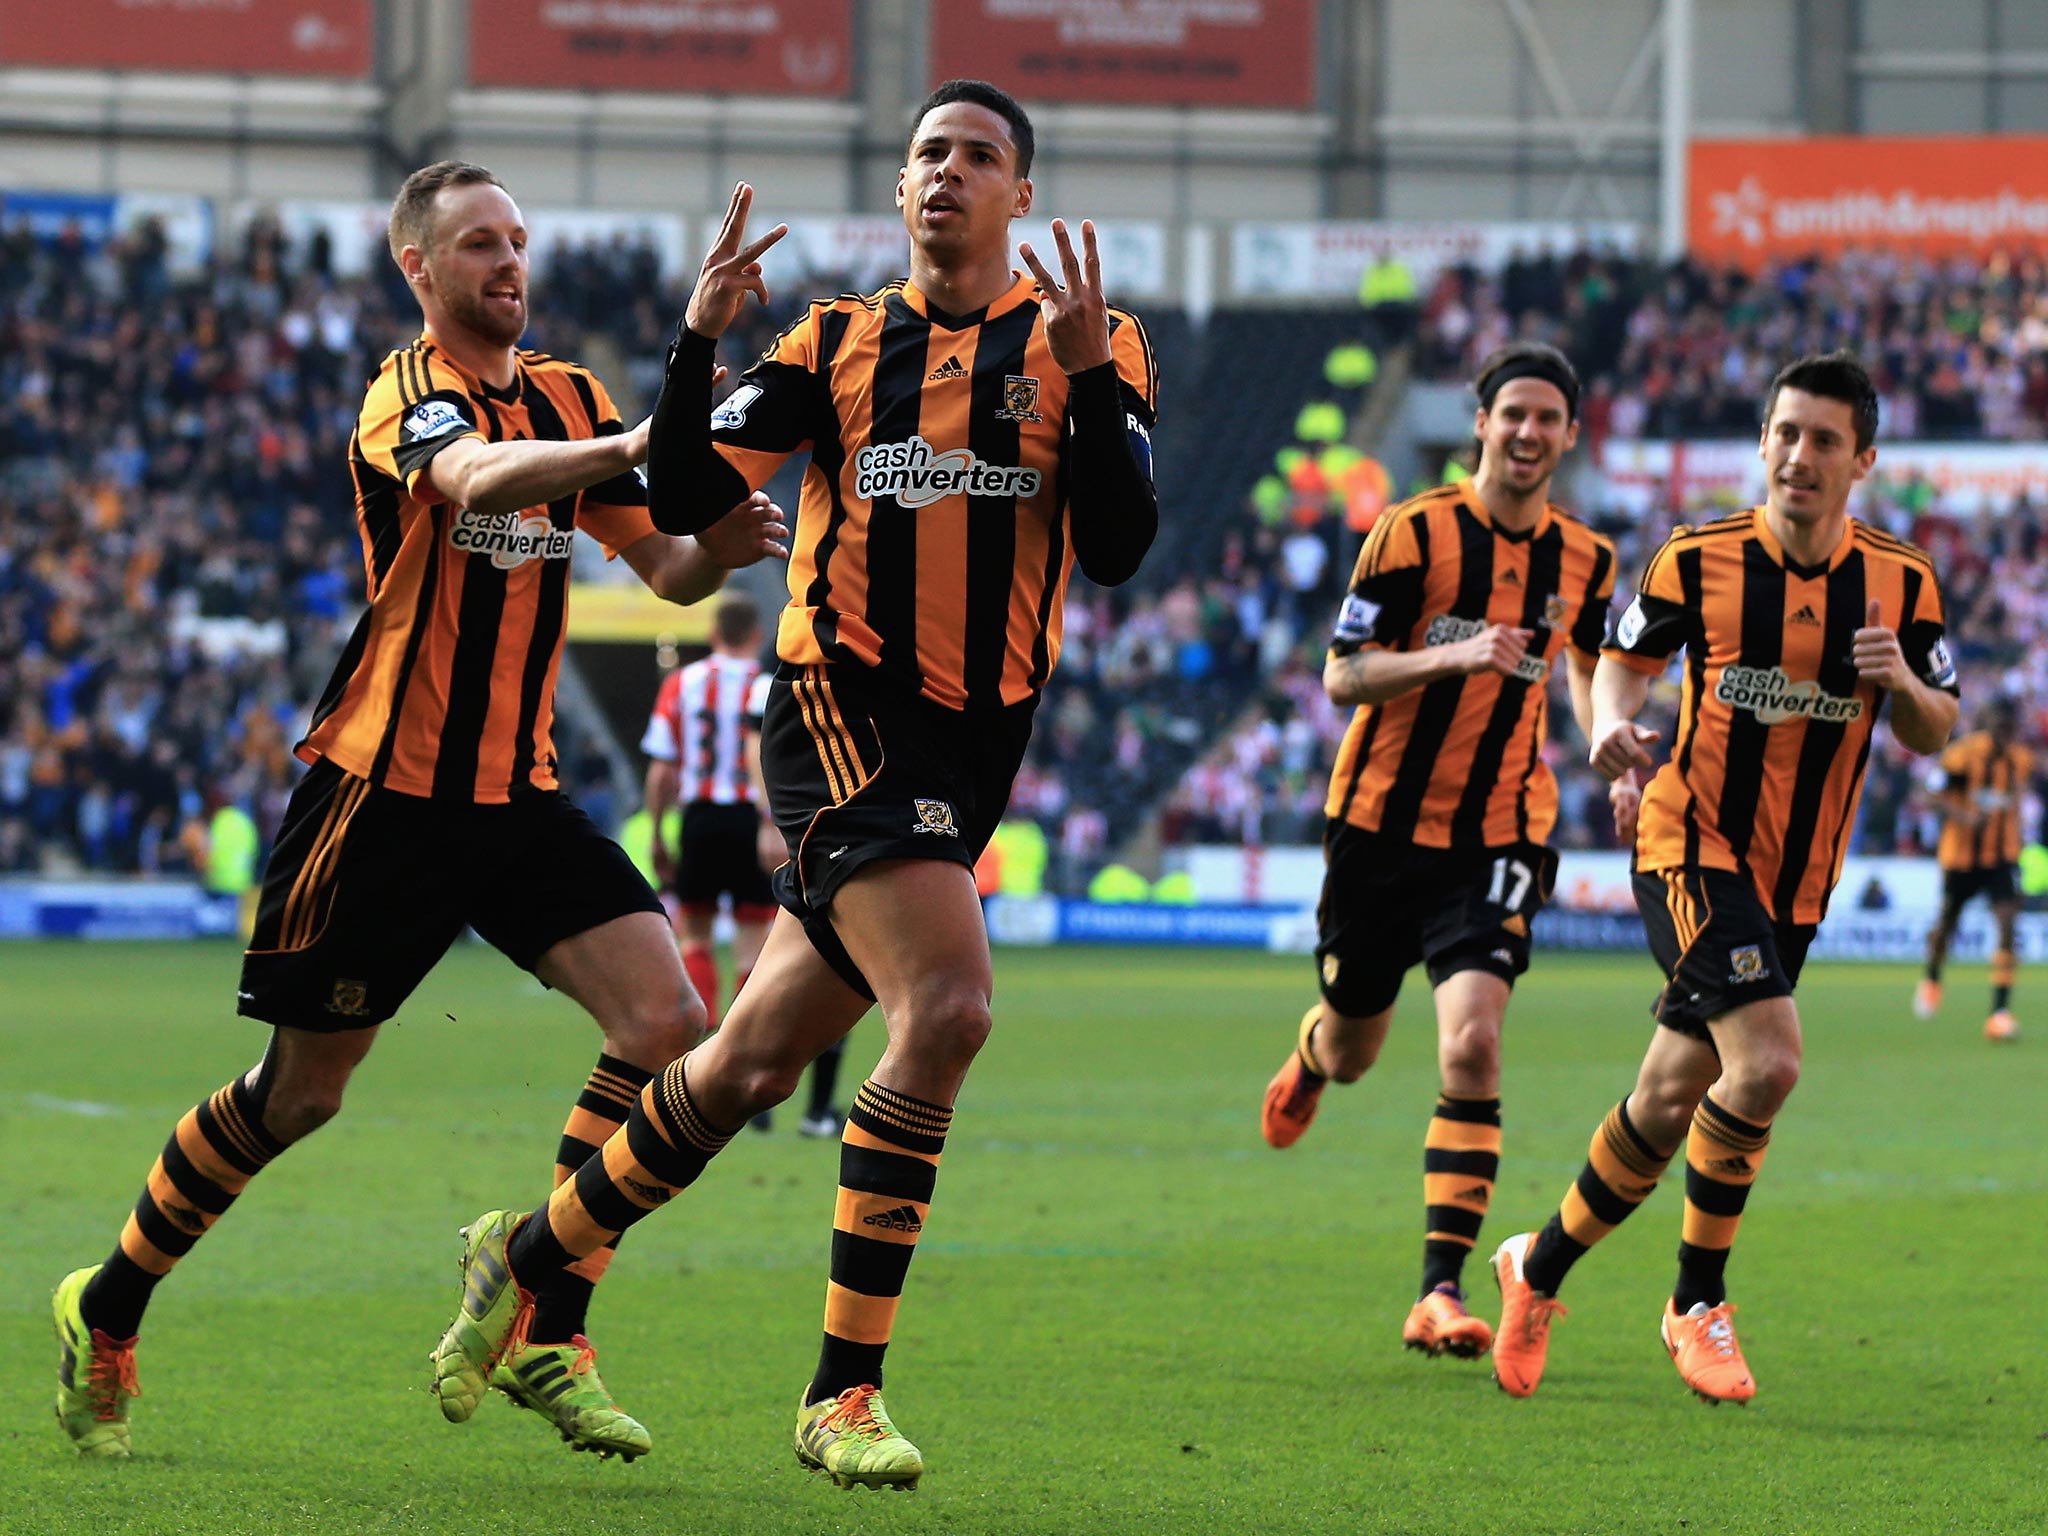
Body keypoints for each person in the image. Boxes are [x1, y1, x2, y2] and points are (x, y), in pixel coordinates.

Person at [428, 79, 1159, 1492]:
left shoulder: (1092, 343)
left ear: (1022, 196)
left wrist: (1102, 377)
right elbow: (699, 490)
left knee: (751, 1062)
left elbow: (1120, 548)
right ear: (900, 193)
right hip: (839, 706)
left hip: (977, 745)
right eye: (928, 155)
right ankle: (842, 1391)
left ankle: (526, 1258)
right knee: (946, 1009)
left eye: (980, 157)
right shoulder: (833, 341)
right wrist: (695, 340)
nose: (949, 174)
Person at [51, 160, 789, 1462]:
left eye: (518, 241)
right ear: (420, 270)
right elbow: (478, 487)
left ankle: (546, 1317)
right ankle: (106, 1306)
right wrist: (636, 445)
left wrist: (710, 553)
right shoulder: (409, 396)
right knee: (300, 1097)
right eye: (479, 245)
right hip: (379, 800)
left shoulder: (566, 390)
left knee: (671, 1022)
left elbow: (664, 568)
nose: (509, 264)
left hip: (518, 799)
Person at [1491, 352, 1958, 1405]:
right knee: (1767, 1065)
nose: (1798, 455)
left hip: (1799, 882)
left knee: (1666, 1098)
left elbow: (1937, 729)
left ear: (1862, 460)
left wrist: (1899, 687)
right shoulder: (1694, 560)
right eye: (1784, 433)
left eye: (1823, 440)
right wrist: (1611, 729)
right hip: (1688, 843)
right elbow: (1619, 664)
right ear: (1762, 442)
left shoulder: (1901, 581)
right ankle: (1694, 1301)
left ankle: (1536, 1266)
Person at [1258, 342, 1617, 1360]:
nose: (1527, 432)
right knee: (1357, 1045)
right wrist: (1456, 651)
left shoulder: (1583, 558)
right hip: (1375, 827)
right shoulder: (1410, 533)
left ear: (1567, 435)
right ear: (1480, 423)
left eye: (1547, 418)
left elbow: (1588, 664)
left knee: (1471, 1042)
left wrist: (1600, 736)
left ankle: (1438, 1290)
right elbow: (1341, 675)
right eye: (1512, 414)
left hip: (1499, 829)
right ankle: (1313, 1056)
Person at [642, 590, 847, 1133]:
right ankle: (738, 1063)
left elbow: (663, 768)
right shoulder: (765, 684)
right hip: (754, 821)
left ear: (713, 633)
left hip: (701, 819)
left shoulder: (682, 684)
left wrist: (660, 832)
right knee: (754, 948)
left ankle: (689, 1068)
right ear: (756, 636)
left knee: (696, 937)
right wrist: (770, 822)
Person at [1915, 696, 2031, 1041]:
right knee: (1947, 925)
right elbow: (1930, 795)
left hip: (2001, 857)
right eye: (2000, 727)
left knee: (2008, 922)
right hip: (1962, 858)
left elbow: (2015, 808)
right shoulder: (1963, 756)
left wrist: (2019, 845)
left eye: (2010, 729)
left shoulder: (2019, 761)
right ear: (1989, 723)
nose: (2004, 734)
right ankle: (1932, 978)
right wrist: (1965, 816)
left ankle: (2000, 1012)